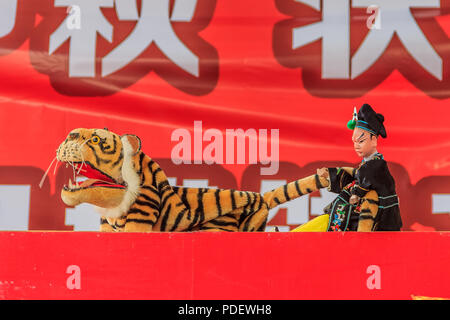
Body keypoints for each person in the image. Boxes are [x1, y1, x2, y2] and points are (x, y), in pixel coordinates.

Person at [292, 103, 402, 232]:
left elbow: (363, 182)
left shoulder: (377, 166)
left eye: (361, 141)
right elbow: (355, 178)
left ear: (374, 140)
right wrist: (331, 175)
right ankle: (291, 236)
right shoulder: (367, 165)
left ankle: (289, 237)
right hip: (361, 217)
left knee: (327, 222)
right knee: (325, 221)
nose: (356, 146)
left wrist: (356, 194)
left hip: (377, 221)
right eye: (354, 142)